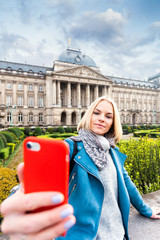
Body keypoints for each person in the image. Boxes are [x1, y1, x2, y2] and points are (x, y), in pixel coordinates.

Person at [1, 95, 160, 240]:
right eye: (96, 113)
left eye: (108, 116)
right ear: (89, 115)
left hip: (118, 233)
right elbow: (38, 181)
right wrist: (19, 200)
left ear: (113, 122)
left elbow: (127, 184)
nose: (101, 119)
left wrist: (146, 210)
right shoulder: (71, 147)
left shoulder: (112, 151)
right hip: (85, 236)